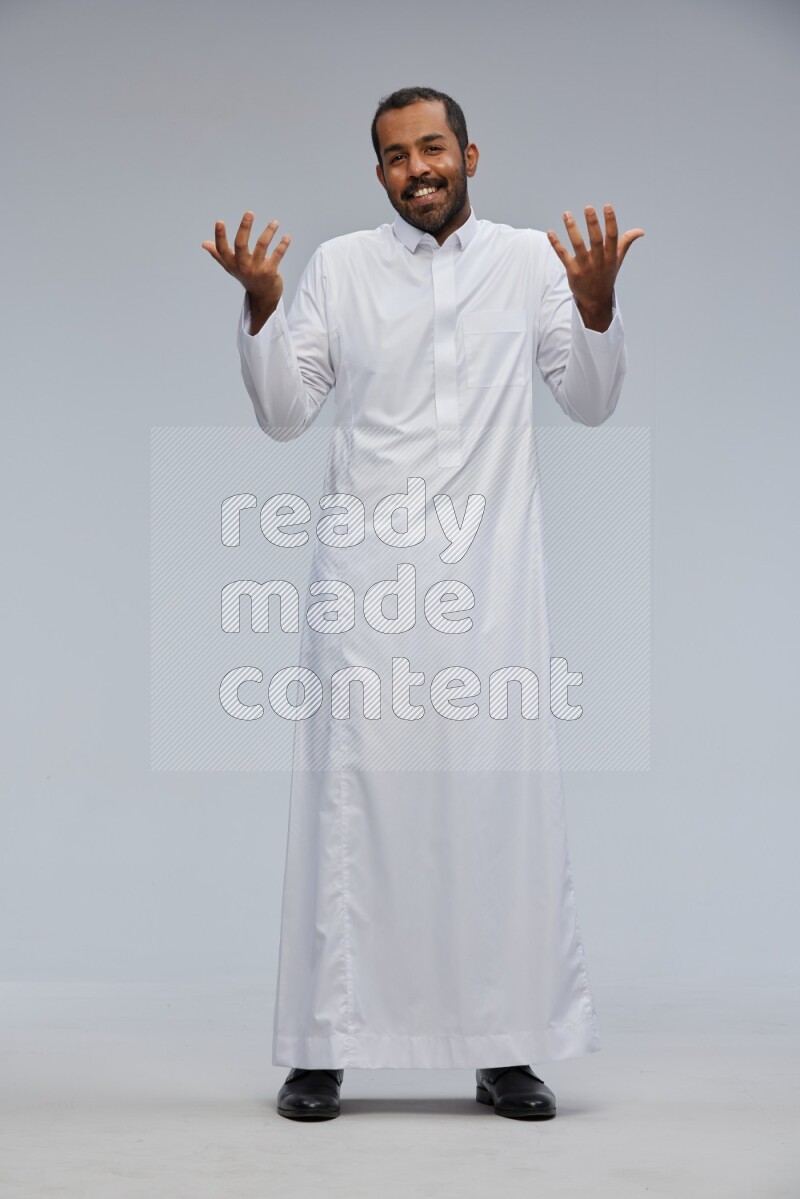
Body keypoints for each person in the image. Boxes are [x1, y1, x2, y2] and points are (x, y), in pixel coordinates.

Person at [202, 86, 643, 1122]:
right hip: (368, 591)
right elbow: (283, 413)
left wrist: (594, 307)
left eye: (433, 148)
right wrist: (262, 310)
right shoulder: (340, 269)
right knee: (348, 815)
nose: (418, 170)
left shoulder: (529, 262)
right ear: (379, 173)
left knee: (496, 812)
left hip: (492, 591)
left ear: (470, 155)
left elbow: (588, 400)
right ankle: (322, 1049)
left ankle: (504, 1047)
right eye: (397, 156)